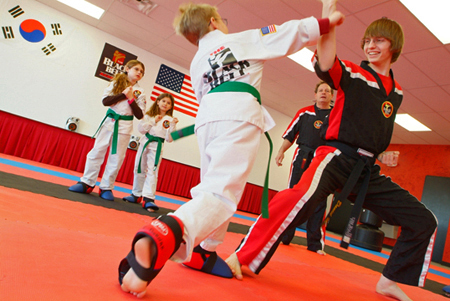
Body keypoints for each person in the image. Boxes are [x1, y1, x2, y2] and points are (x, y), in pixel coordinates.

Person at [118, 2, 345, 298]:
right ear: (214, 22)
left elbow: (203, 95)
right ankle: (167, 232)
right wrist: (323, 23)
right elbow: (289, 33)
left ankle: (204, 250)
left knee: (217, 184)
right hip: (238, 114)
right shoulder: (240, 39)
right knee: (221, 193)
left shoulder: (198, 60)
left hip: (208, 120)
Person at [225, 2, 437, 301]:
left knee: (423, 219)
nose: (371, 45)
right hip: (334, 158)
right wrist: (327, 17)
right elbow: (326, 63)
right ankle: (243, 255)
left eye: (379, 40)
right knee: (296, 199)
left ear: (395, 46)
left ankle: (390, 280)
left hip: (366, 170)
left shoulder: (396, 91)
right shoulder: (353, 72)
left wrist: (381, 155)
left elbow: (371, 128)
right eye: (368, 40)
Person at [68, 60, 146, 201]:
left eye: (142, 71)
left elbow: (140, 115)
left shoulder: (141, 92)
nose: (139, 73)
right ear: (127, 69)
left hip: (125, 126)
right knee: (97, 151)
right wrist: (123, 94)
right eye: (137, 69)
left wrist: (130, 99)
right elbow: (106, 102)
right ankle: (86, 182)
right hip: (109, 121)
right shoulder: (116, 83)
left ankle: (106, 187)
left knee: (116, 158)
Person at [276, 81, 333, 254]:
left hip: (323, 160)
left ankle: (315, 244)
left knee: (319, 200)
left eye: (327, 91)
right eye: (320, 90)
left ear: (332, 96)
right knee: (292, 196)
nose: (323, 93)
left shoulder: (337, 115)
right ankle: (284, 236)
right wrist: (281, 151)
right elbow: (290, 135)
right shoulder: (304, 113)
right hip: (303, 156)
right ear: (315, 94)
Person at [122, 93, 178, 212]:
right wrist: (153, 121)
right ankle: (136, 194)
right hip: (145, 142)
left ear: (170, 107)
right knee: (138, 168)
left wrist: (173, 126)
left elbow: (169, 139)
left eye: (168, 103)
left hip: (157, 145)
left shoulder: (169, 120)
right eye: (163, 101)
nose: (165, 104)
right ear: (158, 101)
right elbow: (141, 130)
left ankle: (149, 198)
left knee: (153, 170)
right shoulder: (148, 115)